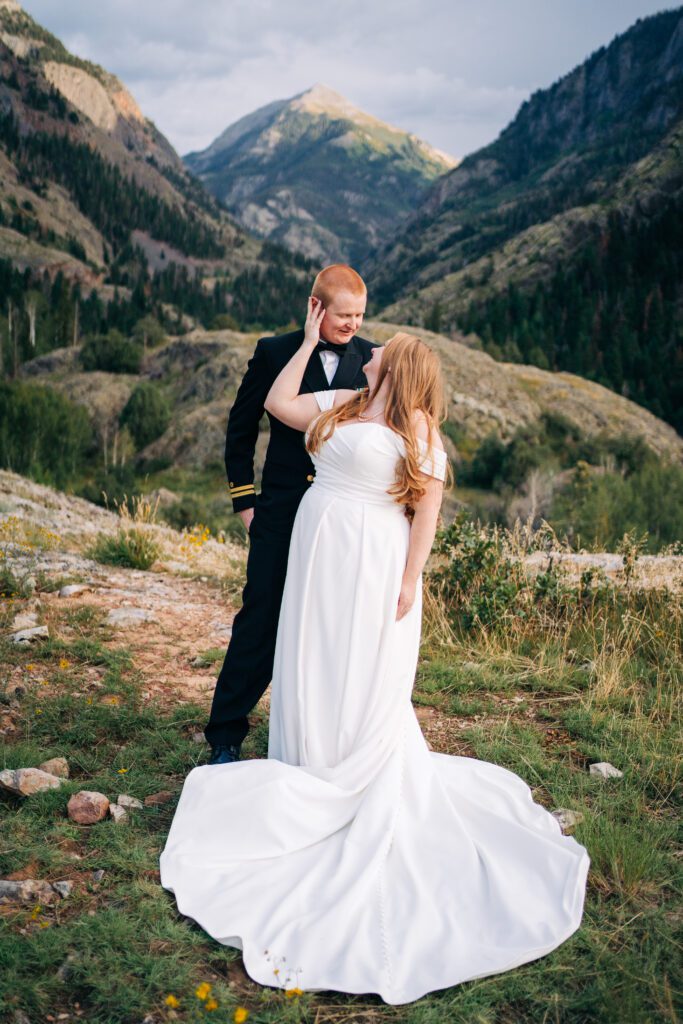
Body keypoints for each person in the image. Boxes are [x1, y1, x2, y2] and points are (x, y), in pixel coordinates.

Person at [160, 301, 590, 1005]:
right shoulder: (343, 400)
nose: (370, 346)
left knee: (357, 670)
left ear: (402, 366)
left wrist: (408, 582)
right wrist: (304, 339)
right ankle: (304, 758)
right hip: (317, 556)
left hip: (370, 563)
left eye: (381, 346)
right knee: (309, 657)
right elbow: (276, 402)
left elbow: (425, 509)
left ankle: (343, 774)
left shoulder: (418, 430)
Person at [204, 264, 380, 764]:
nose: (352, 325)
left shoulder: (371, 359)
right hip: (280, 510)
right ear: (316, 306)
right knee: (260, 616)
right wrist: (245, 502)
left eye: (359, 316)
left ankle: (322, 739)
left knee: (331, 623)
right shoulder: (273, 352)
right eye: (343, 315)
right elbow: (240, 430)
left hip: (340, 517)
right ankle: (224, 736)